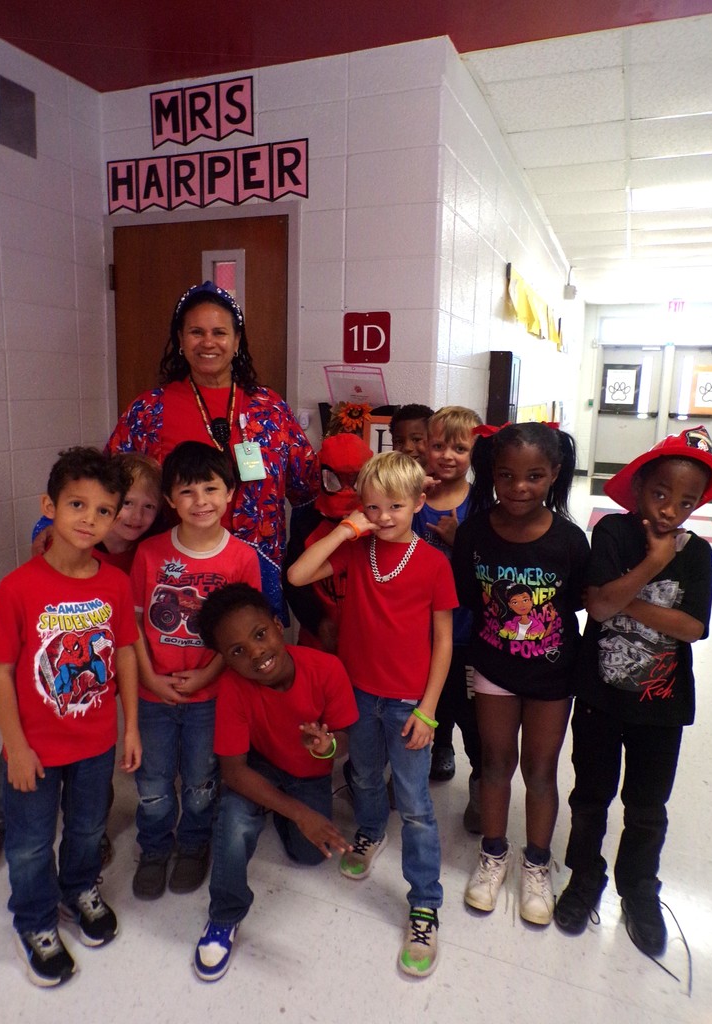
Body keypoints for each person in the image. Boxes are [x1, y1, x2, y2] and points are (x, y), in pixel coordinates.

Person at [554, 425, 712, 958]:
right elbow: (596, 609)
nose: (671, 510)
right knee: (590, 797)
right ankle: (585, 876)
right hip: (601, 699)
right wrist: (651, 565)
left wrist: (617, 597)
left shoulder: (697, 555)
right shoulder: (612, 535)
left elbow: (693, 628)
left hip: (663, 706)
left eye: (686, 502)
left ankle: (639, 888)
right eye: (660, 494)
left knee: (647, 806)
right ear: (639, 488)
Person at [287, 451, 457, 978]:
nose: (383, 517)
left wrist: (429, 709)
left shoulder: (432, 562)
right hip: (358, 693)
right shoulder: (358, 551)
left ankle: (425, 902)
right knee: (360, 773)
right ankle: (368, 830)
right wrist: (343, 531)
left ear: (419, 504)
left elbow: (444, 641)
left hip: (408, 700)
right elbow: (297, 575)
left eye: (396, 507)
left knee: (413, 802)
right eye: (373, 507)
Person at [0, 447, 141, 987]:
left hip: (94, 744)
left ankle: (78, 889)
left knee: (89, 827)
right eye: (76, 504)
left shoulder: (115, 584)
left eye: (103, 511)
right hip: (35, 750)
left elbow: (122, 655)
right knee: (27, 842)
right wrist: (16, 748)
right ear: (50, 505)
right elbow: (0, 674)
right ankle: (35, 921)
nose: (88, 520)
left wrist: (131, 726)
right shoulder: (19, 587)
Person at [0, 454, 163, 873]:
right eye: (128, 503)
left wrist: (133, 717)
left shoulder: (139, 559)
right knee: (23, 749)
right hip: (43, 693)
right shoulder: (51, 551)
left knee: (90, 779)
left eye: (147, 507)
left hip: (94, 705)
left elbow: (128, 641)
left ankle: (87, 840)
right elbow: (5, 664)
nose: (135, 515)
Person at [101, 280, 319, 617]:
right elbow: (105, 482)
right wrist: (53, 529)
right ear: (180, 339)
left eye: (219, 332)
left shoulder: (270, 408)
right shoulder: (149, 410)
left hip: (255, 564)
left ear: (236, 342)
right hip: (176, 573)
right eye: (196, 332)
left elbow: (307, 487)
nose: (208, 342)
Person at [452, 422, 590, 925]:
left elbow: (576, 603)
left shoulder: (571, 541)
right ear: (491, 474)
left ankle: (536, 864)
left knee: (540, 770)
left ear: (554, 474)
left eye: (534, 476)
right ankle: (493, 854)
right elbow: (468, 595)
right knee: (494, 761)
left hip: (553, 675)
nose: (518, 488)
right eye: (506, 476)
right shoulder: (474, 532)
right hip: (493, 668)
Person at [190, 583, 358, 981]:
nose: (256, 653)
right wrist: (300, 813)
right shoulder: (232, 688)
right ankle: (224, 917)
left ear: (279, 626)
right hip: (259, 768)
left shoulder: (325, 669)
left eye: (260, 635)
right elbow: (234, 771)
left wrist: (326, 745)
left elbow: (346, 741)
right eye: (237, 652)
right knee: (234, 819)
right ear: (226, 662)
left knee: (309, 854)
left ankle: (276, 808)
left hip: (308, 772)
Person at [130, 441, 261, 900]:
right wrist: (148, 677)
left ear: (230, 495)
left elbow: (245, 635)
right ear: (169, 499)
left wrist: (207, 676)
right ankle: (152, 848)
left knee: (203, 779)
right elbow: (134, 626)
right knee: (152, 781)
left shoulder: (242, 558)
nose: (201, 501)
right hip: (153, 694)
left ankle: (192, 845)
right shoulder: (147, 554)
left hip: (211, 694)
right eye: (187, 491)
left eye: (211, 488)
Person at [414, 406, 483, 832]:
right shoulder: (413, 495)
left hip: (467, 631)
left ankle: (481, 785)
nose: (447, 455)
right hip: (416, 632)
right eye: (438, 445)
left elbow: (494, 569)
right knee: (420, 703)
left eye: (460, 447)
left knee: (472, 715)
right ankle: (421, 764)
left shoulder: (482, 503)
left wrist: (463, 544)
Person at [282, 432, 373, 651]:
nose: (346, 492)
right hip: (317, 644)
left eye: (355, 481)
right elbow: (293, 582)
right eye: (334, 481)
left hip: (368, 647)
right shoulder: (307, 526)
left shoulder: (380, 525)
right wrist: (318, 622)